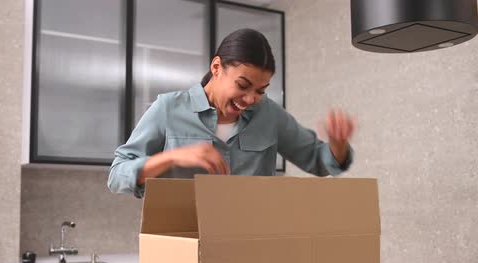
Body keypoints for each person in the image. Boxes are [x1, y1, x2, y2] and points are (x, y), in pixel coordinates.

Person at [108, 28, 356, 198]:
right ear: (216, 67)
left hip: (251, 245)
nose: (250, 99)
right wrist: (172, 158)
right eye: (242, 85)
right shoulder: (168, 108)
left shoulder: (269, 115)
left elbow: (319, 160)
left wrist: (338, 145)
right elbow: (117, 176)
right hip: (183, 243)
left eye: (261, 90)